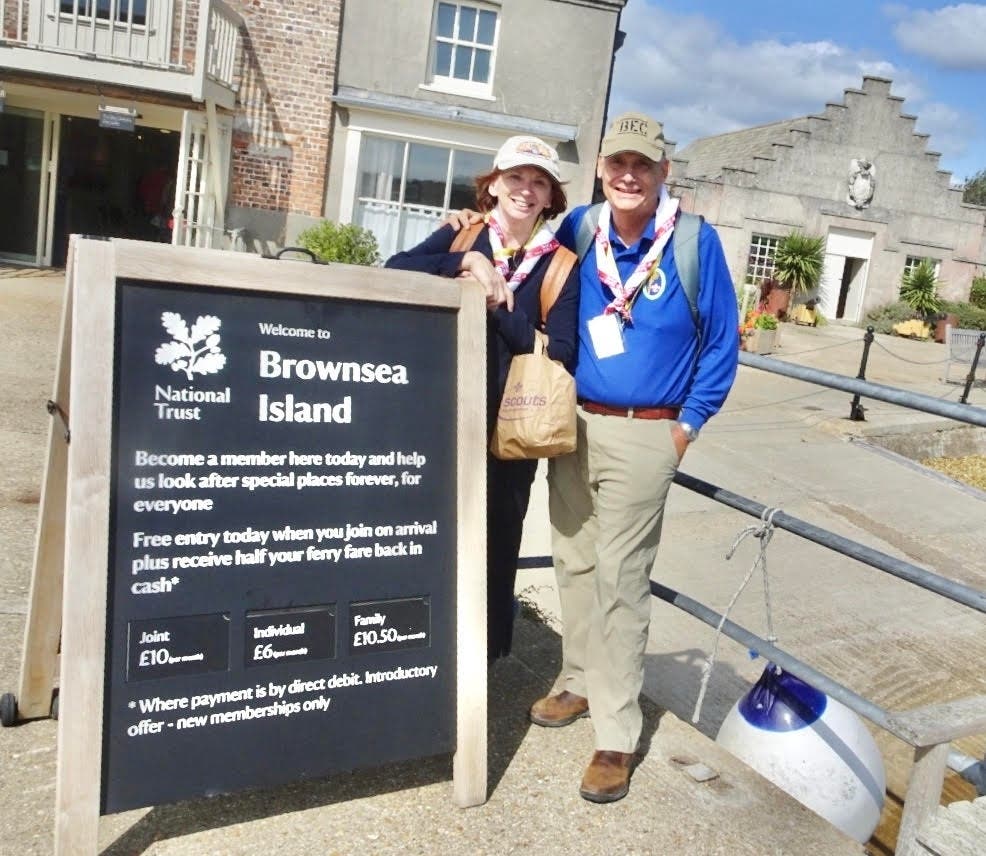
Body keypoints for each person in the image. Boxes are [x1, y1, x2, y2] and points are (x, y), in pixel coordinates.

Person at [447, 112, 739, 802]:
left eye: (642, 165)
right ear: (602, 172)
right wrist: (473, 225)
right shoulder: (580, 226)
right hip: (570, 421)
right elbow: (516, 242)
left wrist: (685, 428)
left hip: (648, 432)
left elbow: (723, 344)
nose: (629, 177)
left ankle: (616, 733)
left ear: (664, 172)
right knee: (574, 561)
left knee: (622, 577)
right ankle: (577, 679)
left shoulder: (694, 243)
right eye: (617, 165)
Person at [385, 135, 579, 662]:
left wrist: (497, 305)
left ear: (551, 197)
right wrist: (469, 267)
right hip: (437, 415)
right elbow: (394, 269)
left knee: (495, 544)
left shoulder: (561, 264)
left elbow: (561, 351)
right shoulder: (462, 234)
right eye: (516, 176)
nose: (526, 189)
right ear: (493, 183)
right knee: (426, 531)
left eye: (539, 182)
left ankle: (483, 662)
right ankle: (413, 645)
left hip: (507, 431)